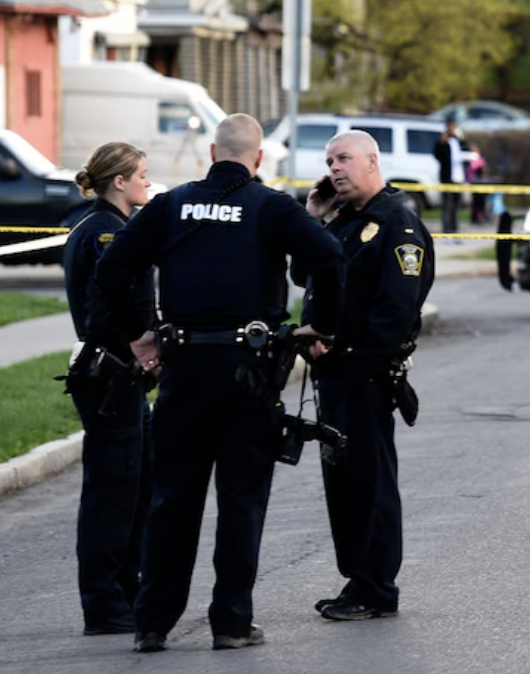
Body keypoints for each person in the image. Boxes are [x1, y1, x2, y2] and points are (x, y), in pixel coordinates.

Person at [90, 115, 344, 653]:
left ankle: (152, 622)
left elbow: (112, 269)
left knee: (172, 499)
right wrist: (323, 323)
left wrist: (138, 336)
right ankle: (230, 622)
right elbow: (329, 256)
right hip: (247, 375)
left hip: (182, 370)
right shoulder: (272, 206)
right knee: (241, 500)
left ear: (211, 151)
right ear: (257, 159)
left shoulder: (170, 205)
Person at [295, 130, 435, 622]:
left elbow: (393, 312)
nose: (335, 168)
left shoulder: (396, 225)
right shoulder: (345, 222)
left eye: (345, 159)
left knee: (370, 482)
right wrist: (311, 218)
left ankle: (378, 587)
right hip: (334, 373)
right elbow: (304, 275)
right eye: (330, 160)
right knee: (343, 483)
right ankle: (358, 578)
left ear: (372, 161)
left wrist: (346, 351)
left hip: (365, 375)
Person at [60, 142, 155, 637]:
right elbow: (106, 313)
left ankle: (126, 590)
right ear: (118, 181)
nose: (146, 179)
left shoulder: (105, 226)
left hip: (121, 376)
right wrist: (145, 343)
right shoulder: (105, 235)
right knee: (112, 494)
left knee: (136, 488)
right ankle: (103, 603)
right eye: (140, 173)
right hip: (110, 376)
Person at [430, 117, 465, 235]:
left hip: (458, 177)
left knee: (456, 205)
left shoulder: (458, 140)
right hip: (447, 177)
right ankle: (446, 230)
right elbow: (437, 154)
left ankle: (454, 229)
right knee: (447, 205)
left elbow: (465, 152)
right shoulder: (443, 141)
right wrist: (442, 143)